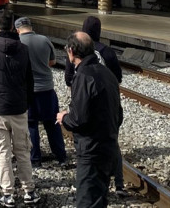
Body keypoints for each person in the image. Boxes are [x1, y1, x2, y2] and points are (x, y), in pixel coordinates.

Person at [0, 11, 38, 207]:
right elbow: (29, 80)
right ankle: (29, 191)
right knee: (22, 151)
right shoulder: (23, 49)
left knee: (3, 153)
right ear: (13, 28)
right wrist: (26, 102)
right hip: (19, 108)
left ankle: (8, 194)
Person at [58, 32, 123, 208]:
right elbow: (119, 114)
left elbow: (79, 119)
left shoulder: (83, 77)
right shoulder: (107, 74)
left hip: (91, 149)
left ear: (71, 51)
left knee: (87, 200)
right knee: (99, 198)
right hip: (108, 145)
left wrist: (65, 117)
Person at [15, 17, 66, 168]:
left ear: (17, 29)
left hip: (28, 91)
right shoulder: (45, 40)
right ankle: (61, 156)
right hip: (47, 89)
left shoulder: (17, 43)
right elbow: (52, 62)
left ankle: (35, 159)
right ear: (31, 27)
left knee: (31, 124)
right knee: (52, 123)